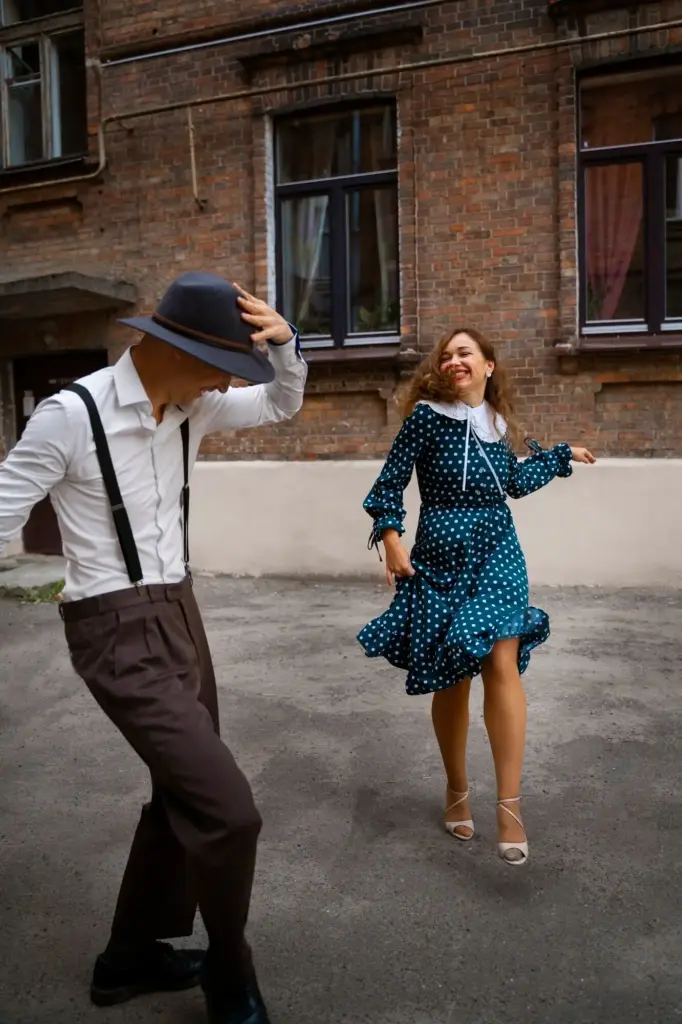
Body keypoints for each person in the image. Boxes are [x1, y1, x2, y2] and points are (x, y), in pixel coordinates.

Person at [0, 271, 307, 1023]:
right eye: (223, 364)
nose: (227, 382)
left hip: (180, 612)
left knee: (182, 795)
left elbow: (280, 401)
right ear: (175, 348)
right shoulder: (71, 415)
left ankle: (129, 957)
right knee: (228, 811)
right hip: (113, 630)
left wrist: (285, 344)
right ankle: (230, 974)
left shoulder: (194, 406)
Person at [357, 328, 595, 867]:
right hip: (441, 554)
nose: (453, 360)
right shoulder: (425, 418)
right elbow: (389, 483)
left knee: (500, 656)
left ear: (489, 365)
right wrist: (391, 539)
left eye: (465, 353)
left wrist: (561, 456)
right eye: (446, 355)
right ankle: (457, 787)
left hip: (497, 549)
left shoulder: (498, 424)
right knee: (454, 674)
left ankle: (510, 807)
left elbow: (513, 483)